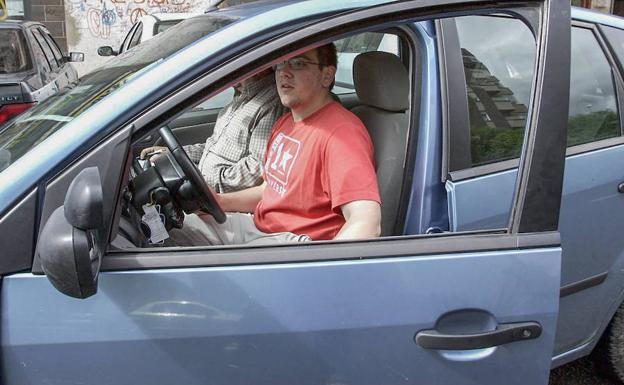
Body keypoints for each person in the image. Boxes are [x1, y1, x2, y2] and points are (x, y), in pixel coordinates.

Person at [170, 43, 381, 245]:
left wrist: (323, 271)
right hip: (259, 226)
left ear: (327, 75)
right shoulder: (286, 121)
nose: (284, 72)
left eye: (298, 63)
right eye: (281, 63)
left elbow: (366, 222)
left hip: (291, 241)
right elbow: (268, 190)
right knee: (171, 229)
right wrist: (220, 202)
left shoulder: (341, 134)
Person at [141, 69, 285, 193]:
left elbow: (256, 169)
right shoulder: (240, 98)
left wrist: (203, 179)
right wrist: (174, 155)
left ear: (258, 67)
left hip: (223, 197)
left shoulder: (270, 103)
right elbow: (213, 146)